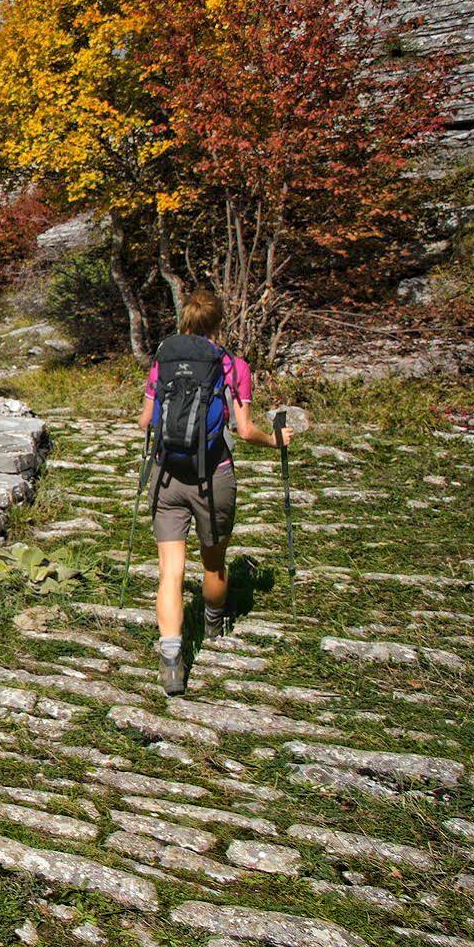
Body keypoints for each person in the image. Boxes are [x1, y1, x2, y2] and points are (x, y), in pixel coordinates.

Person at [138, 289, 294, 696]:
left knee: (170, 572)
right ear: (218, 322)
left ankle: (172, 658)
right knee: (214, 565)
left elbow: (145, 421)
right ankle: (213, 625)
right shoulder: (233, 366)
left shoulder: (163, 362)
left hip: (167, 476)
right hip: (214, 478)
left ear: (185, 320)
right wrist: (275, 440)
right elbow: (245, 430)